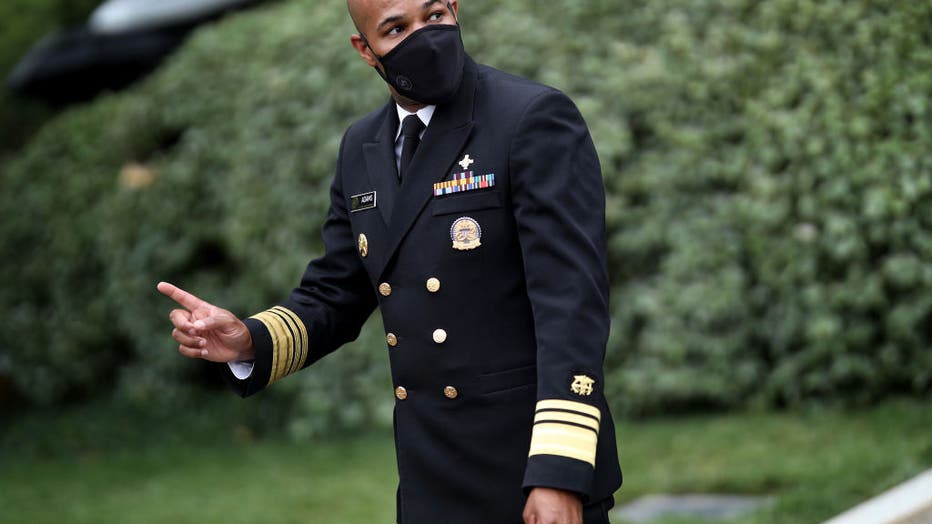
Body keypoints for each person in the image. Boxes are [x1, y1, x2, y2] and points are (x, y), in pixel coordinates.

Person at [158, 0, 622, 522]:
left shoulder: (531, 118)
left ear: (454, 8)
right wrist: (248, 340)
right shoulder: (363, 146)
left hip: (529, 470)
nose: (425, 36)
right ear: (365, 50)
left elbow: (571, 303)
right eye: (397, 28)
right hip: (430, 476)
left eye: (435, 17)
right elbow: (337, 289)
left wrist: (559, 473)